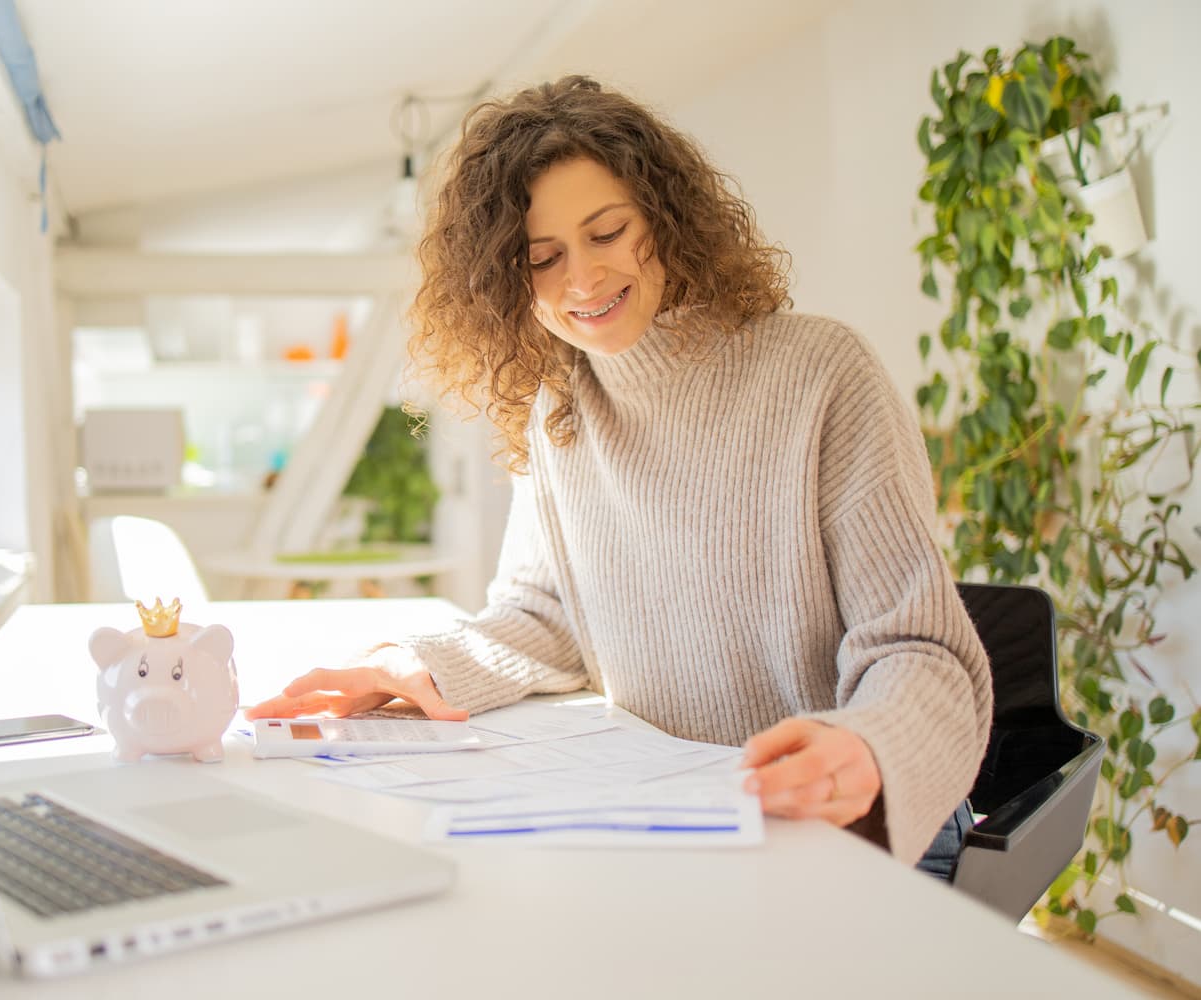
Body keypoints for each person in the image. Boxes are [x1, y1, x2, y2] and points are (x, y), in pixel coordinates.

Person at [248, 76, 992, 867]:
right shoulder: (560, 406)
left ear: (666, 220)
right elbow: (548, 616)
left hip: (843, 818)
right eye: (543, 257)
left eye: (607, 232)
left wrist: (864, 746)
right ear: (508, 279)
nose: (584, 282)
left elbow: (921, 648)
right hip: (684, 815)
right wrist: (415, 664)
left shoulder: (820, 373)